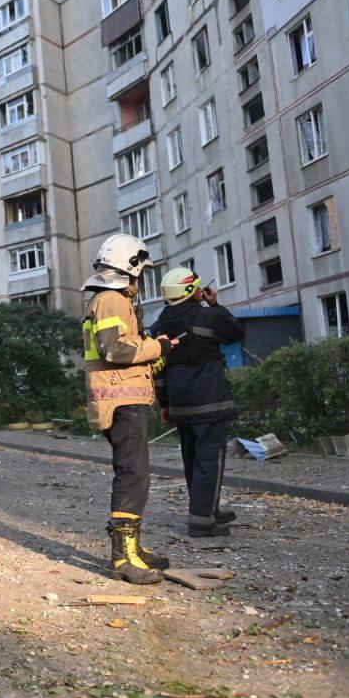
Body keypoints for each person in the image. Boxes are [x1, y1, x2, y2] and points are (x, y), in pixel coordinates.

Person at [82, 234, 178, 584]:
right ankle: (124, 557)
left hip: (124, 396)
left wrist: (159, 353)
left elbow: (122, 356)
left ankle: (133, 548)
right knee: (132, 475)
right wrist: (157, 346)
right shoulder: (110, 300)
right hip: (121, 401)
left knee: (135, 474)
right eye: (140, 273)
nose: (141, 281)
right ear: (130, 267)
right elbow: (115, 351)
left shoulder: (112, 300)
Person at [150, 268, 246, 537]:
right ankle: (203, 520)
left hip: (180, 403)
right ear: (193, 291)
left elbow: (158, 369)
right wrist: (215, 304)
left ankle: (206, 508)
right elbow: (236, 332)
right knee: (210, 459)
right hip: (210, 400)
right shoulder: (208, 315)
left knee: (193, 459)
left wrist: (165, 404)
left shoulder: (158, 326)